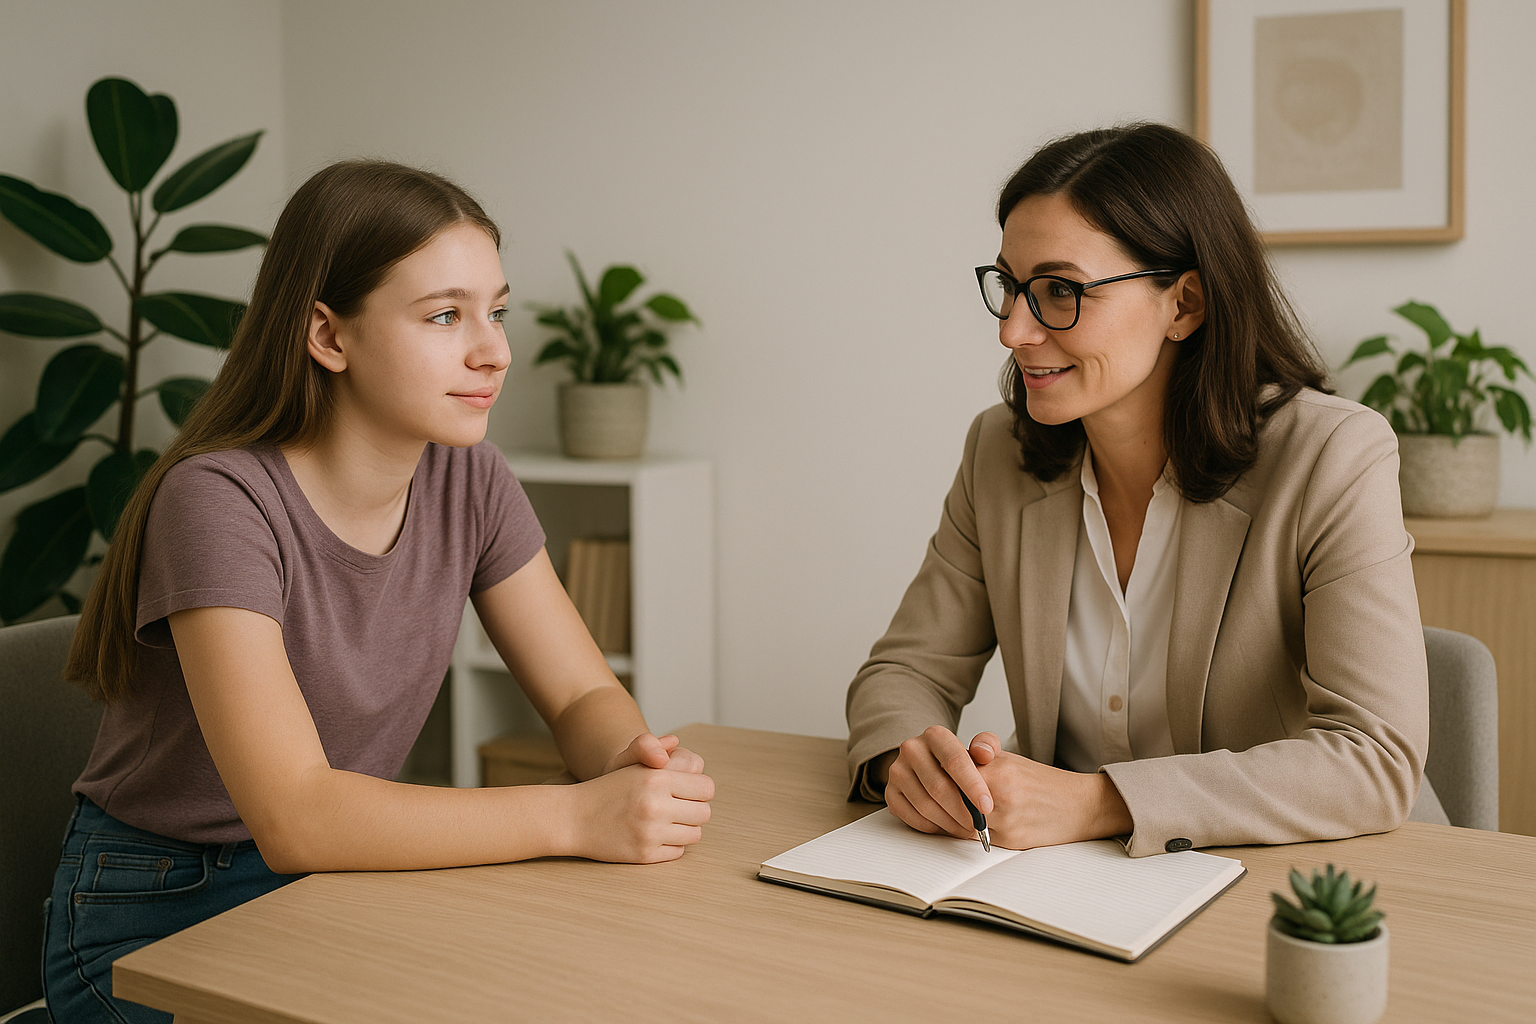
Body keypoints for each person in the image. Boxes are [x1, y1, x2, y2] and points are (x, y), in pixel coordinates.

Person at [45, 161, 714, 1023]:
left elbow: (580, 692)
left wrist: (630, 762)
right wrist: (578, 818)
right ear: (328, 335)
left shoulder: (470, 479)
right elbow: (296, 814)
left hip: (336, 881)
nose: (495, 351)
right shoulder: (217, 501)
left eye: (497, 312)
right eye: (444, 316)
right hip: (163, 908)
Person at [845, 123, 1428, 859]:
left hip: (1288, 874)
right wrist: (909, 763)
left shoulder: (1332, 456)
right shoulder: (998, 452)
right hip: (1063, 881)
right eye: (1012, 288)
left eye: (1060, 291)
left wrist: (1098, 801)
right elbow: (905, 670)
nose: (1014, 331)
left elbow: (1374, 757)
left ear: (1184, 304)